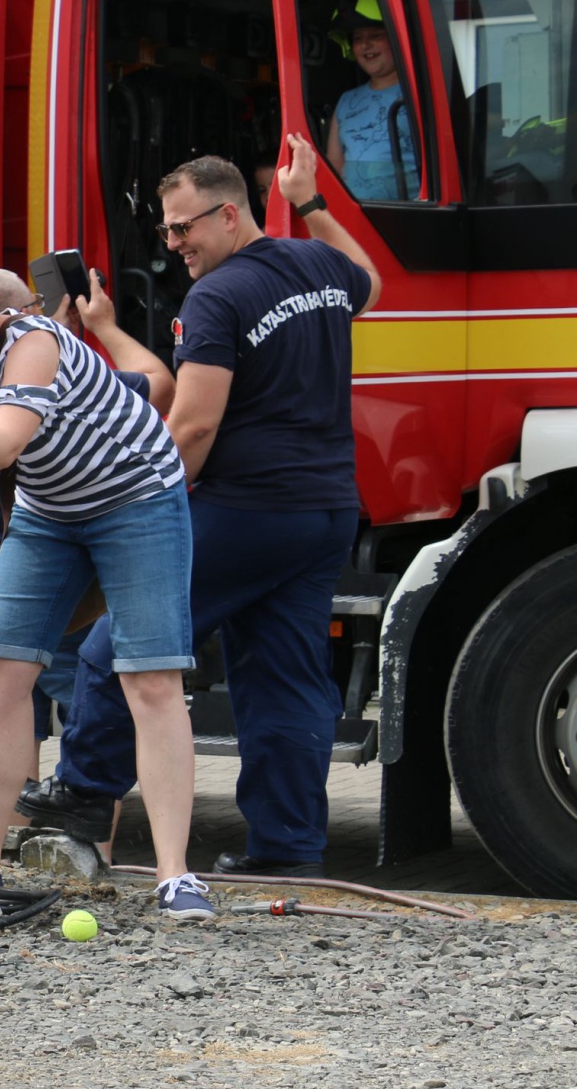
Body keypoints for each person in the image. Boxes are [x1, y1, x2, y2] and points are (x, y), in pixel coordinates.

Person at [20, 141, 379, 880]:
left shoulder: (216, 298)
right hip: (325, 512)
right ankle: (287, 852)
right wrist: (311, 205)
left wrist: (147, 507)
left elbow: (193, 426)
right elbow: (370, 282)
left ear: (229, 215)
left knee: (121, 644)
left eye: (184, 227)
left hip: (244, 511)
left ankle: (83, 792)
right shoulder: (315, 265)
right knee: (284, 682)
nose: (174, 243)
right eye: (166, 229)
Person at [0, 237, 209, 921]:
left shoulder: (33, 342)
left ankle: (176, 877)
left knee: (149, 678)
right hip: (50, 508)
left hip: (137, 495)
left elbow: (1, 446)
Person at [325, 0, 420, 202]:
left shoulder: (419, 94)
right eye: (358, 38)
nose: (365, 44)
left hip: (411, 212)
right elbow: (335, 165)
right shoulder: (346, 101)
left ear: (397, 40)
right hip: (358, 215)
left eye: (376, 35)